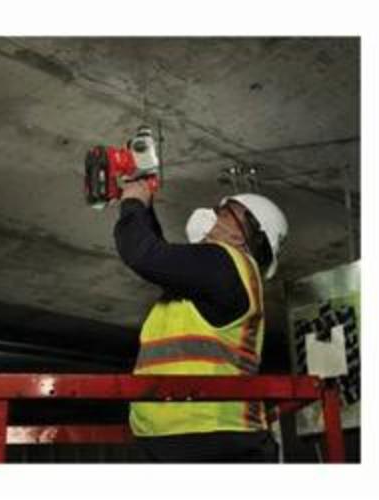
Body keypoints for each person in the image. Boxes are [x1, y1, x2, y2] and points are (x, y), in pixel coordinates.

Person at [113, 178, 288, 463]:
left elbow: (143, 254)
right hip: (188, 435)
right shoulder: (221, 275)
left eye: (225, 212)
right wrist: (145, 205)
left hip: (213, 436)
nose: (214, 213)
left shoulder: (227, 264)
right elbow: (162, 257)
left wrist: (132, 202)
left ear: (242, 236)